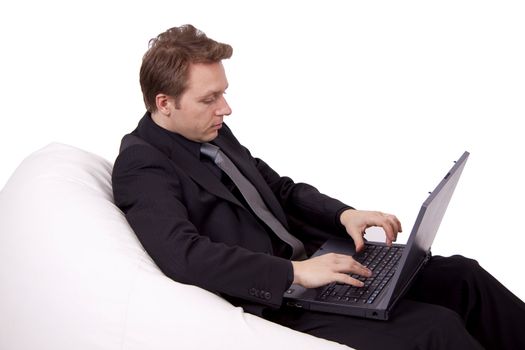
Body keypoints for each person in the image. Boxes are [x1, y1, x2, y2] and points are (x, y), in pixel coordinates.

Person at [112, 24, 525, 350]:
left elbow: (279, 189)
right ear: (165, 103)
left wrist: (343, 215)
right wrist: (295, 271)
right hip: (280, 300)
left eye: (224, 94)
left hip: (319, 262)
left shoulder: (210, 131)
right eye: (210, 98)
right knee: (434, 327)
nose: (226, 108)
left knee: (463, 278)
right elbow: (184, 256)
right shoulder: (142, 164)